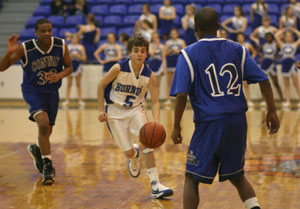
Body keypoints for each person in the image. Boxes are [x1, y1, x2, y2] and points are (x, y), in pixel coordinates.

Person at [170, 7, 279, 209]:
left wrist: (176, 126)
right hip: (237, 120)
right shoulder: (238, 49)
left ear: (195, 28)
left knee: (192, 177)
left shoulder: (187, 54)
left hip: (209, 122)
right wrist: (272, 111)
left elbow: (182, 94)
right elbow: (263, 80)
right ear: (219, 27)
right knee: (237, 175)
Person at [97, 35, 173, 198]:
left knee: (148, 143)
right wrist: (100, 110)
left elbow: (155, 101)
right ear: (130, 53)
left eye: (143, 51)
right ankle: (133, 155)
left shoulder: (149, 74)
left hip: (135, 110)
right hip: (114, 112)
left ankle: (155, 184)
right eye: (136, 51)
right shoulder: (118, 68)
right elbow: (101, 85)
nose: (139, 54)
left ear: (147, 54)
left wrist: (156, 121)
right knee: (128, 152)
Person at [0, 19, 73, 185]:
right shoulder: (25, 48)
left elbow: (69, 67)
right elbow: (2, 67)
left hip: (52, 92)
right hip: (33, 91)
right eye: (43, 31)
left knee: (47, 131)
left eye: (49, 30)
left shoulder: (61, 45)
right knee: (43, 124)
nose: (47, 33)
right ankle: (48, 167)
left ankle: (37, 149)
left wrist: (59, 75)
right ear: (36, 33)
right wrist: (8, 52)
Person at [275, 27, 300, 108]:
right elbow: (276, 36)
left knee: (296, 84)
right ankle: (288, 101)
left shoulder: (294, 44)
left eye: (290, 36)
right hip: (285, 65)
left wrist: (293, 30)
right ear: (285, 37)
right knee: (286, 84)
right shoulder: (282, 44)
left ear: (292, 37)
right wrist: (284, 29)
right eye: (287, 36)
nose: (288, 37)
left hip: (292, 64)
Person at [257, 32, 284, 102]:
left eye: (269, 36)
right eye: (267, 37)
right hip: (264, 64)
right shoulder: (263, 45)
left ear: (272, 37)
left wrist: (277, 57)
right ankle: (263, 100)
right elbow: (256, 51)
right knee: (263, 83)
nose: (268, 38)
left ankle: (282, 99)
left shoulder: (276, 45)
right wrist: (261, 56)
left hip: (272, 64)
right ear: (265, 38)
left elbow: (283, 51)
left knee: (276, 83)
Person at [63, 34, 87, 108]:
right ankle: (67, 100)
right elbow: (64, 58)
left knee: (78, 84)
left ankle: (80, 100)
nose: (74, 40)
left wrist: (77, 56)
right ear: (71, 39)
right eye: (73, 38)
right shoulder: (68, 47)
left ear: (78, 39)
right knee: (69, 84)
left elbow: (85, 58)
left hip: (78, 66)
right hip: (70, 66)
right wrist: (70, 57)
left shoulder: (81, 47)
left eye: (76, 38)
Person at [165, 28, 186, 105]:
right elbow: (165, 53)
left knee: (179, 82)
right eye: (172, 33)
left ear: (177, 34)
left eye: (175, 33)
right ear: (170, 34)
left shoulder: (181, 41)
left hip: (179, 62)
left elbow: (185, 52)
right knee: (169, 82)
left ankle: (179, 99)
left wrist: (178, 51)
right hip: (170, 62)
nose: (174, 35)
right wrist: (171, 51)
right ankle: (169, 99)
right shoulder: (168, 42)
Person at [236, 32, 257, 107]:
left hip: (245, 65)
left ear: (244, 37)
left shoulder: (248, 45)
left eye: (241, 37)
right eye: (238, 37)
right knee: (237, 84)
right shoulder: (235, 45)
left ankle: (249, 100)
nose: (240, 38)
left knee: (246, 84)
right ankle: (239, 100)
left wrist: (251, 59)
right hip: (237, 66)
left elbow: (254, 52)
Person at [149, 32, 167, 97]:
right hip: (152, 65)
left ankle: (157, 100)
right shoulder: (150, 45)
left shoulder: (162, 46)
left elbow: (164, 58)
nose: (155, 39)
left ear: (159, 38)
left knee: (157, 84)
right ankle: (152, 99)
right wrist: (156, 46)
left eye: (156, 37)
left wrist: (164, 68)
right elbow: (151, 54)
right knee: (151, 84)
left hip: (159, 65)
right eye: (153, 37)